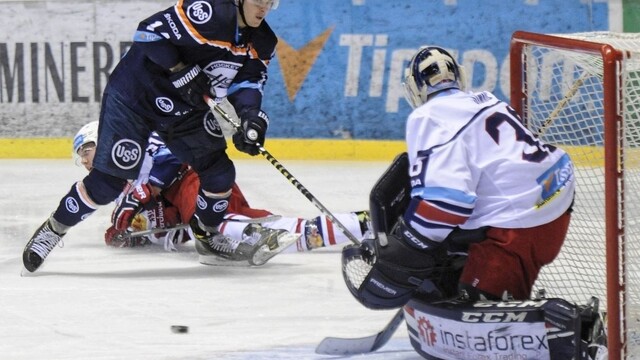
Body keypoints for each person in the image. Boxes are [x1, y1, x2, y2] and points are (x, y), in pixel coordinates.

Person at [22, 0, 283, 272]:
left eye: (271, 1)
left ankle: (207, 238)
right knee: (108, 182)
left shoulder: (263, 40)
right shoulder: (207, 11)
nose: (264, 6)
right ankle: (54, 228)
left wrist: (251, 118)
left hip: (183, 109)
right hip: (134, 97)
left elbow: (248, 83)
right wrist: (180, 68)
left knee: (219, 172)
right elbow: (147, 34)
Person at [342, 45, 576, 307]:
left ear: (413, 88)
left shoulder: (428, 116)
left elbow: (449, 202)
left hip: (518, 227)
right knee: (457, 247)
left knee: (480, 314)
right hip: (556, 199)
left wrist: (407, 245)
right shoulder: (488, 99)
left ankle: (568, 326)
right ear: (460, 77)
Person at [73, 121, 373, 265]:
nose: (86, 161)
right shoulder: (118, 183)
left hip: (196, 177)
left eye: (87, 150)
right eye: (81, 157)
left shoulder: (137, 142)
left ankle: (252, 233)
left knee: (214, 224)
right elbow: (174, 226)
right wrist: (144, 232)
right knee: (295, 233)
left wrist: (141, 194)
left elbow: (174, 157)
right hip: (192, 193)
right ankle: (363, 223)